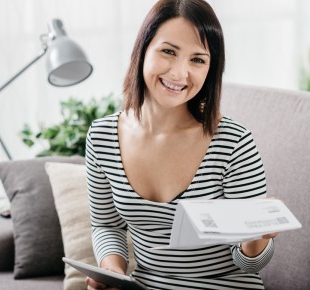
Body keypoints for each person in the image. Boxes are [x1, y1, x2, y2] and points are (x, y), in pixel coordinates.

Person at [85, 0, 277, 289]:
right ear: (143, 49)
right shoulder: (102, 137)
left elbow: (250, 264)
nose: (178, 73)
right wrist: (113, 272)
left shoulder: (233, 142)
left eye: (197, 60)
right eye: (168, 51)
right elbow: (107, 225)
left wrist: (255, 239)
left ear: (210, 70)